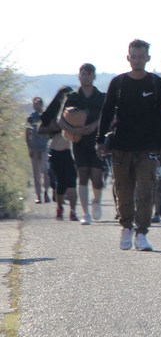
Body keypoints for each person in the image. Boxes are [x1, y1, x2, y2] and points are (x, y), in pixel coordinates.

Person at [96, 39, 161, 252]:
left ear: (148, 58)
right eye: (133, 56)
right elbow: (107, 112)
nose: (137, 60)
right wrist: (100, 140)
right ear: (128, 58)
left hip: (149, 146)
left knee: (146, 189)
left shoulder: (156, 83)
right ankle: (126, 227)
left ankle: (142, 233)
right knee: (123, 189)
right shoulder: (118, 83)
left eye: (141, 56)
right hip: (121, 145)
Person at [57, 63, 106, 224]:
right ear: (79, 76)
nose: (86, 76)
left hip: (98, 140)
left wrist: (95, 125)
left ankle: (96, 200)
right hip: (79, 141)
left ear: (94, 76)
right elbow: (61, 120)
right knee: (83, 174)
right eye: (83, 74)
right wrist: (75, 130)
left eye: (89, 74)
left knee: (97, 176)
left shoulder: (101, 97)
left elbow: (109, 116)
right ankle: (85, 213)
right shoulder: (72, 97)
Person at [39, 86, 79, 221]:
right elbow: (41, 129)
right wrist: (52, 127)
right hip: (56, 151)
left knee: (72, 182)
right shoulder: (52, 112)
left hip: (70, 151)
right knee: (61, 183)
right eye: (65, 96)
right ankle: (60, 208)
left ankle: (73, 211)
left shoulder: (74, 112)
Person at [25, 96, 51, 204]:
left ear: (41, 104)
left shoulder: (45, 117)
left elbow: (50, 131)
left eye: (38, 103)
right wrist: (29, 147)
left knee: (45, 171)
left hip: (44, 147)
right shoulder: (30, 118)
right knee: (35, 173)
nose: (36, 106)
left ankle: (46, 192)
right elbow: (27, 134)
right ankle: (38, 195)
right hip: (34, 148)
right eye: (35, 104)